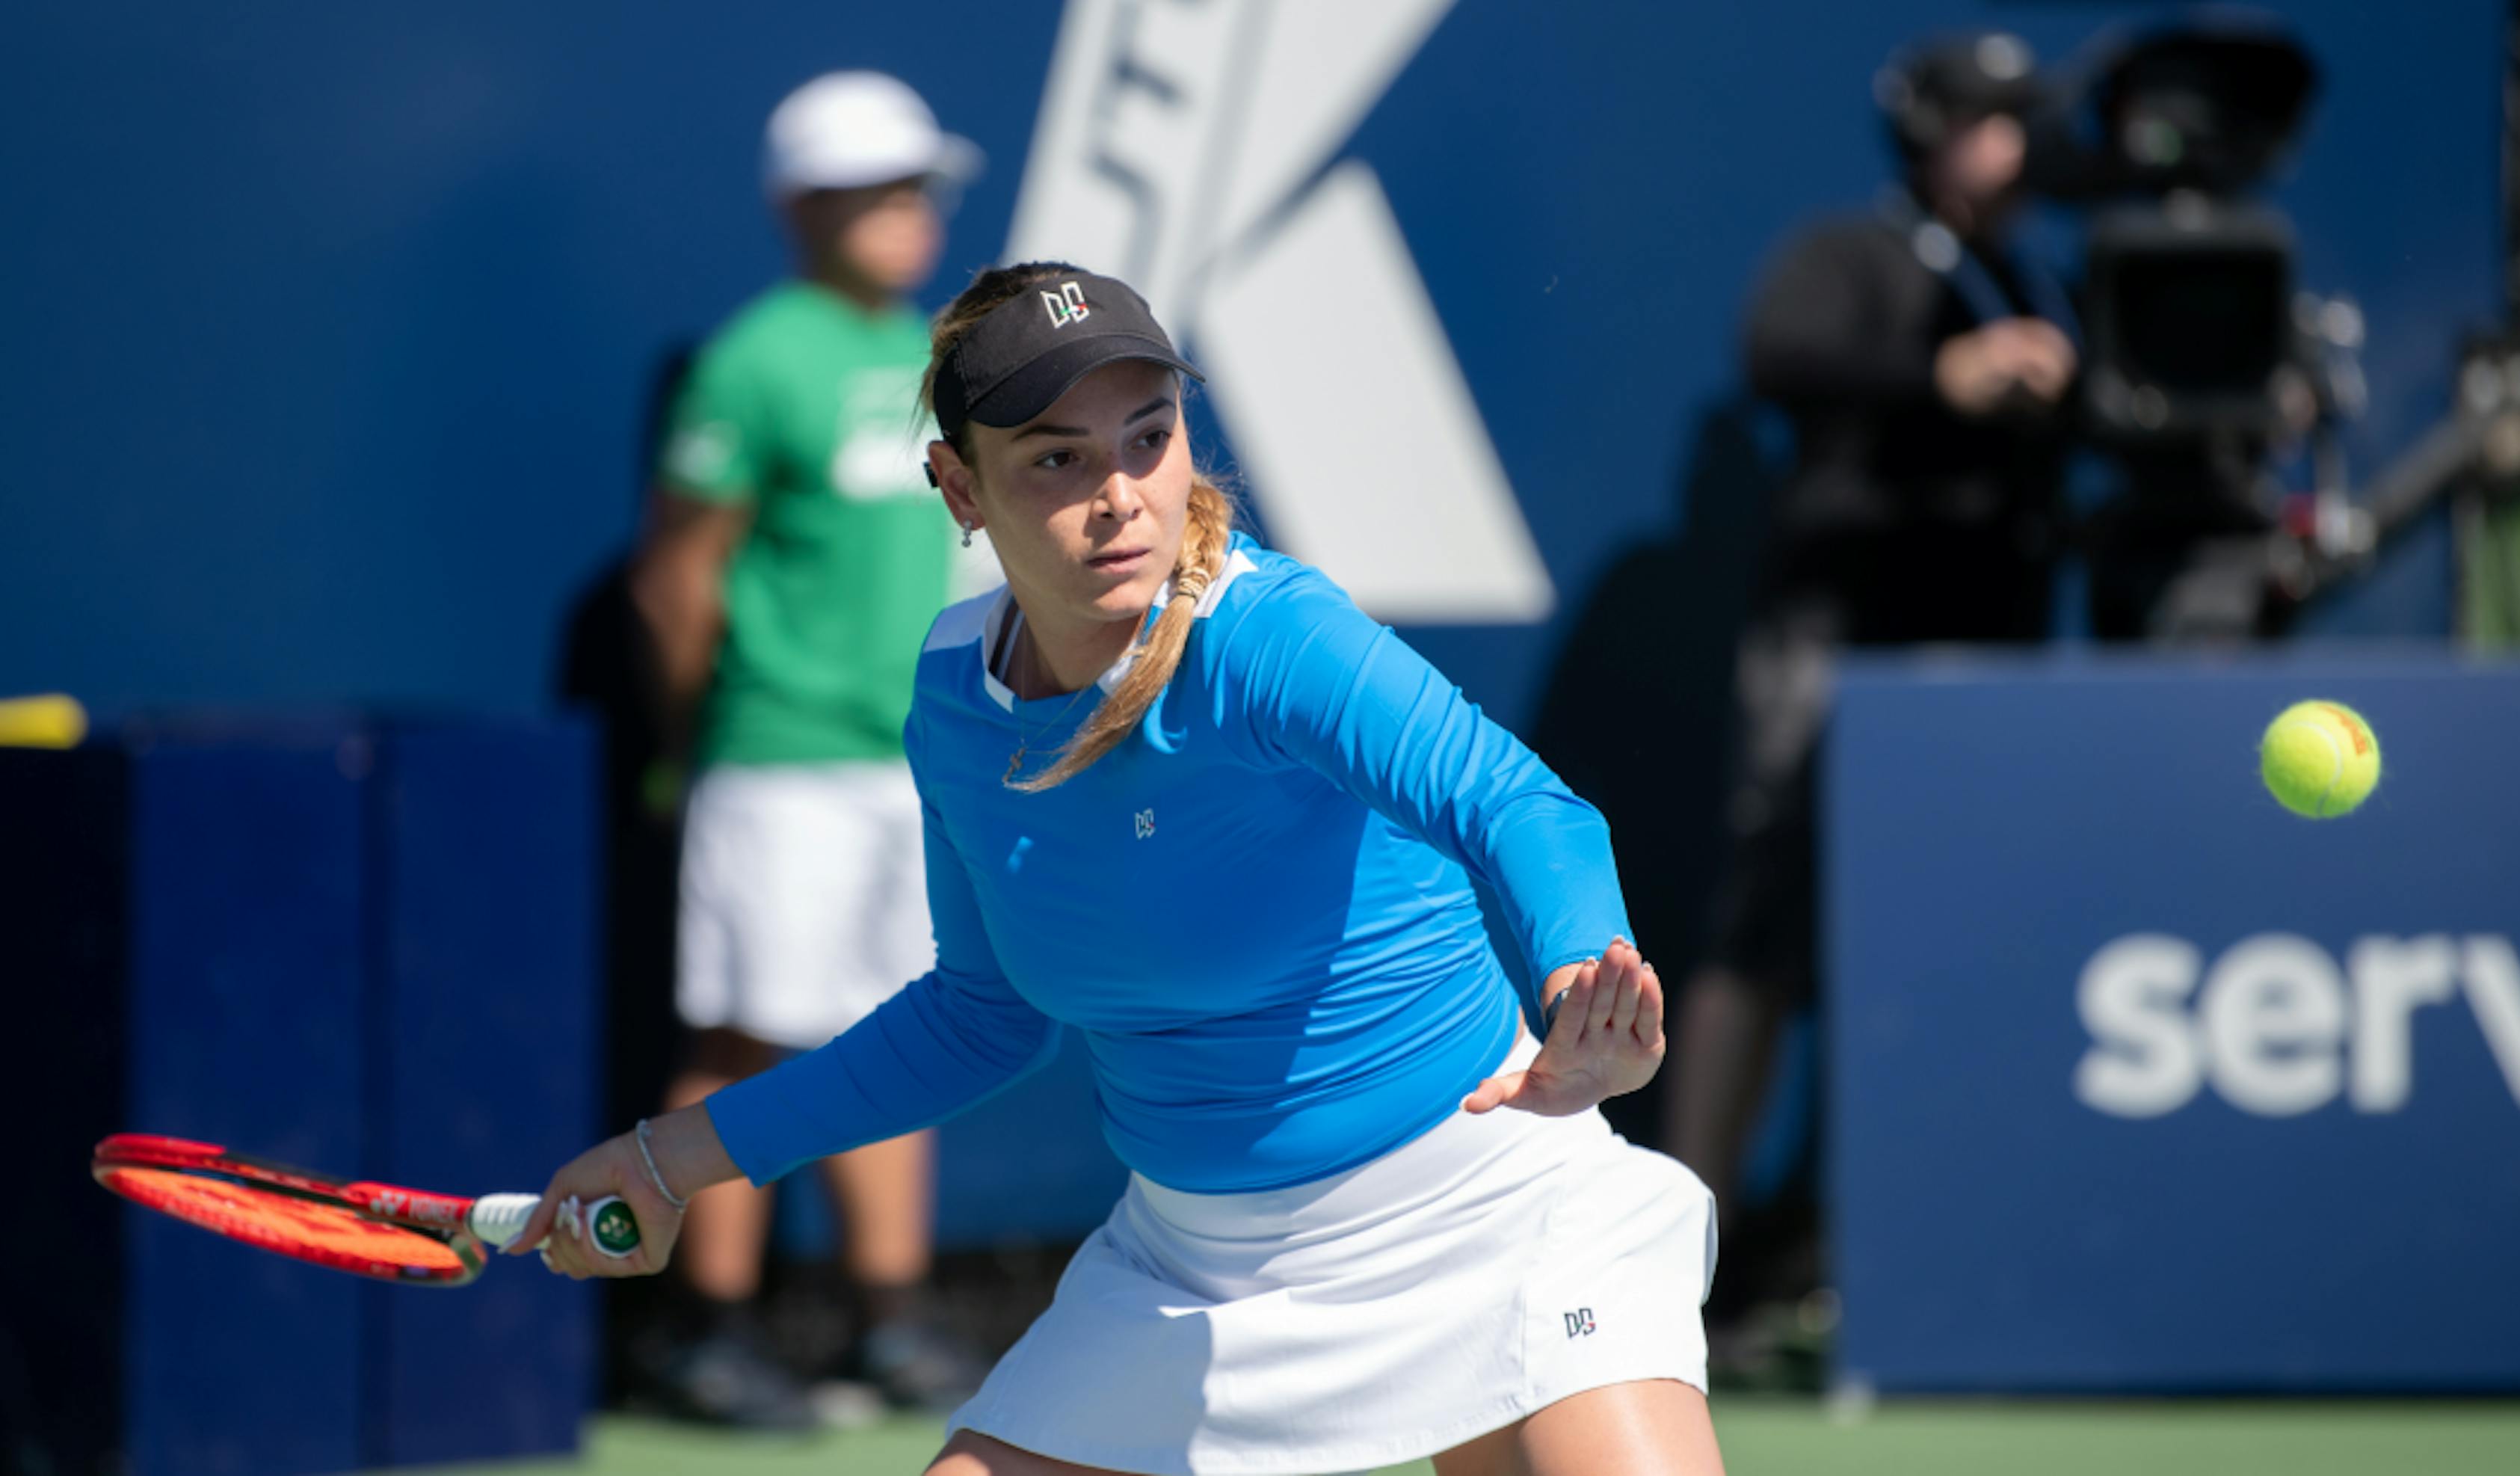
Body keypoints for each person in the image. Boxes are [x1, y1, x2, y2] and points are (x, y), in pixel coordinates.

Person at [516, 264, 1725, 1476]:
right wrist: (670, 1157)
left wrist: (1581, 973)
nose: (1120, 498)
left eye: (1149, 440)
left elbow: (1512, 799)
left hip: (1488, 1212)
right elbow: (979, 1016)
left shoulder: (1271, 635)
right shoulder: (954, 701)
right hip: (1191, 1272)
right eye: (1056, 459)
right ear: (958, 487)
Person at [1663, 31, 2080, 1359]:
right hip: (1838, 640)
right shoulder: (1853, 254)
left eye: (2026, 122)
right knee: (1769, 922)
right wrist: (1943, 382)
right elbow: (1778, 353)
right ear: (1927, 131)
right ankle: (1686, 1266)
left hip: (1983, 658)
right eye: (1989, 120)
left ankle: (1859, 1253)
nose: (2014, 148)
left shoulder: (2035, 275)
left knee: (1940, 947)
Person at [626, 70, 999, 1427]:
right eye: (877, 188)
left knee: (905, 1033)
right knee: (747, 1038)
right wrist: (700, 736)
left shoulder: (938, 357)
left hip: (915, 762)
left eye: (918, 187)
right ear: (805, 207)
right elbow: (678, 578)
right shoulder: (753, 358)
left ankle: (889, 1320)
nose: (908, 213)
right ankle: (704, 1328)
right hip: (777, 760)